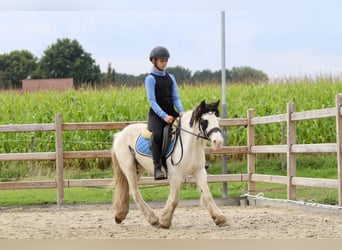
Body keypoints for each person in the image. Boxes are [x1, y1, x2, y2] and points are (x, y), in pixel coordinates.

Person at [145, 46, 185, 180]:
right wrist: (164, 116)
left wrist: (181, 111)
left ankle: (189, 162)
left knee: (186, 130)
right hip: (157, 115)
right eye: (161, 60)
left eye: (166, 60)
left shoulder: (171, 78)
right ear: (154, 61)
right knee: (157, 136)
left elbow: (176, 97)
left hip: (170, 111)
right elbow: (152, 101)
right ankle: (157, 167)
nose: (164, 63)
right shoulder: (150, 79)